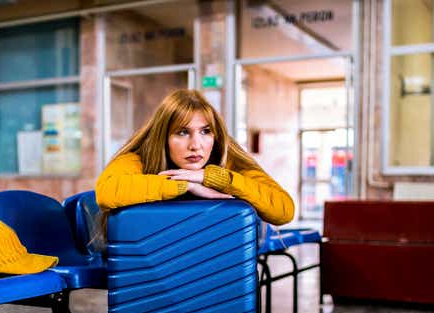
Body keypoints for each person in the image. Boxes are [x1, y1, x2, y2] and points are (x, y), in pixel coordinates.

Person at [95, 89, 294, 227]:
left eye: (205, 131)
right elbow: (107, 192)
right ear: (162, 137)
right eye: (182, 132)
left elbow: (284, 210)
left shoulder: (227, 160)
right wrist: (186, 184)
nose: (196, 145)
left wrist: (214, 178)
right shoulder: (137, 159)